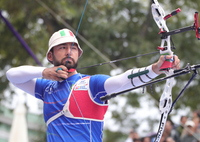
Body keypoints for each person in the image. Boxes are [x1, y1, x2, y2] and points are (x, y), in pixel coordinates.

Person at [6, 28, 181, 142]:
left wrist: (154, 69)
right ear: (50, 56)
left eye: (73, 48)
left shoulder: (91, 84)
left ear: (78, 54)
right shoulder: (46, 88)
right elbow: (12, 75)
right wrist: (43, 72)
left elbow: (122, 80)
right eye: (62, 47)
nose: (69, 51)